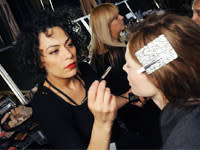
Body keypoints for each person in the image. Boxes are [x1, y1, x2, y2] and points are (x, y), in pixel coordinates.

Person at [88, 13, 200, 149]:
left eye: (129, 65)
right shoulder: (184, 118)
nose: (124, 68)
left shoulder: (184, 138)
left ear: (156, 76)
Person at [14, 10, 120, 149]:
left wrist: (129, 96)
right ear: (38, 61)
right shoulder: (45, 105)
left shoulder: (84, 70)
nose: (68, 54)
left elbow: (105, 104)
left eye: (69, 44)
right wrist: (102, 123)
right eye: (54, 51)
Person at [89, 2, 161, 149]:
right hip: (142, 122)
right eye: (116, 17)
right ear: (106, 26)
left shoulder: (102, 57)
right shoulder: (117, 54)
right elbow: (158, 62)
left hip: (137, 123)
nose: (122, 17)